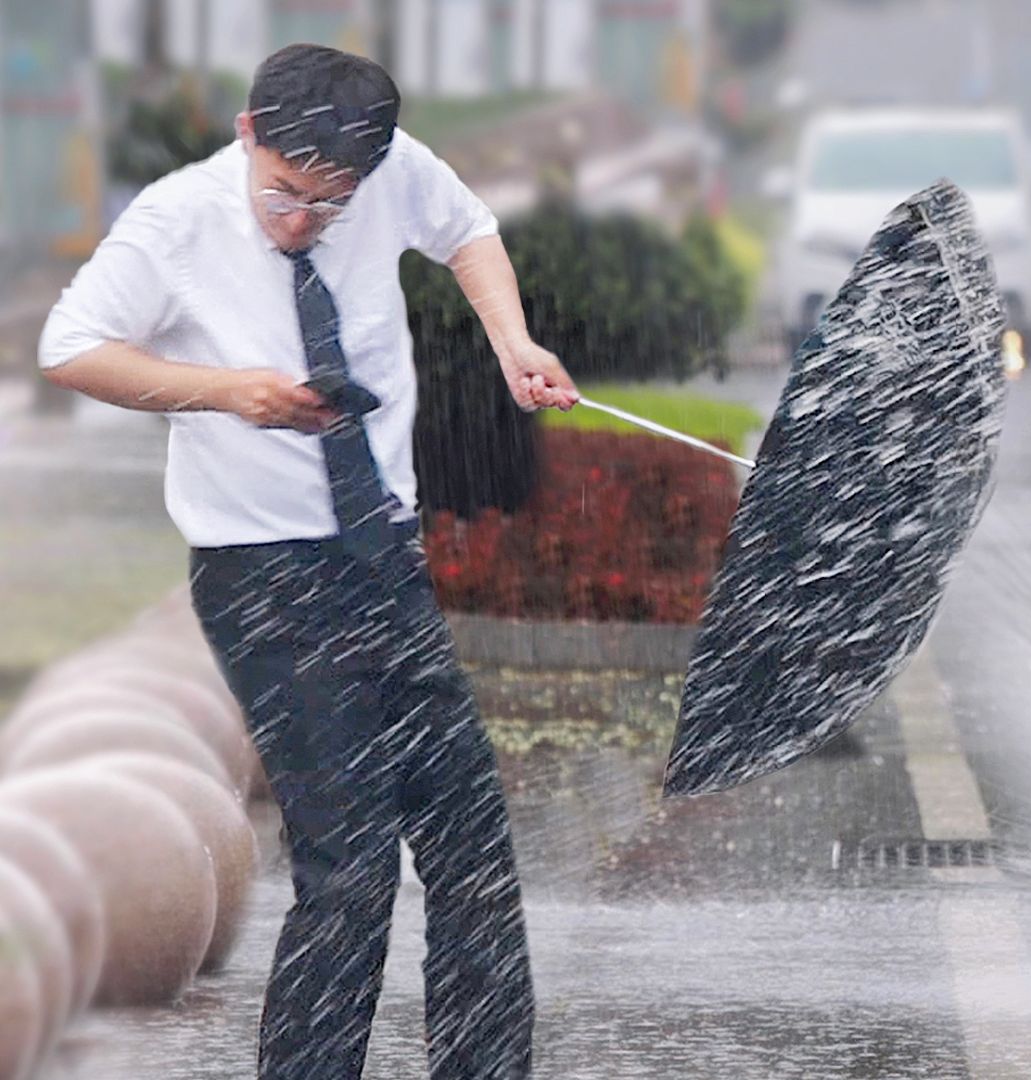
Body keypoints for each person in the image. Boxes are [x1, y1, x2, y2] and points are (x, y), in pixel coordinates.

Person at [37, 43, 567, 1080]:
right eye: (285, 195)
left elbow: (468, 230)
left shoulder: (387, 164)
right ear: (247, 134)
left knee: (474, 851)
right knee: (352, 864)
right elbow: (71, 345)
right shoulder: (176, 220)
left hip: (382, 558)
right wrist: (227, 390)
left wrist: (511, 341)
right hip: (263, 575)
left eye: (332, 205)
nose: (304, 222)